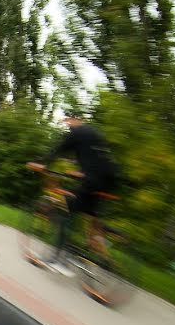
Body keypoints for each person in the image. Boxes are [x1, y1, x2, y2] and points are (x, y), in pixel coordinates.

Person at [30, 113, 119, 276]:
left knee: (65, 210)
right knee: (90, 214)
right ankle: (99, 249)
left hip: (93, 181)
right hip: (108, 182)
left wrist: (42, 163)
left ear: (74, 119)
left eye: (68, 121)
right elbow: (95, 161)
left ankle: (60, 260)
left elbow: (57, 150)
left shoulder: (76, 133)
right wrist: (78, 172)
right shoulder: (94, 133)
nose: (67, 124)